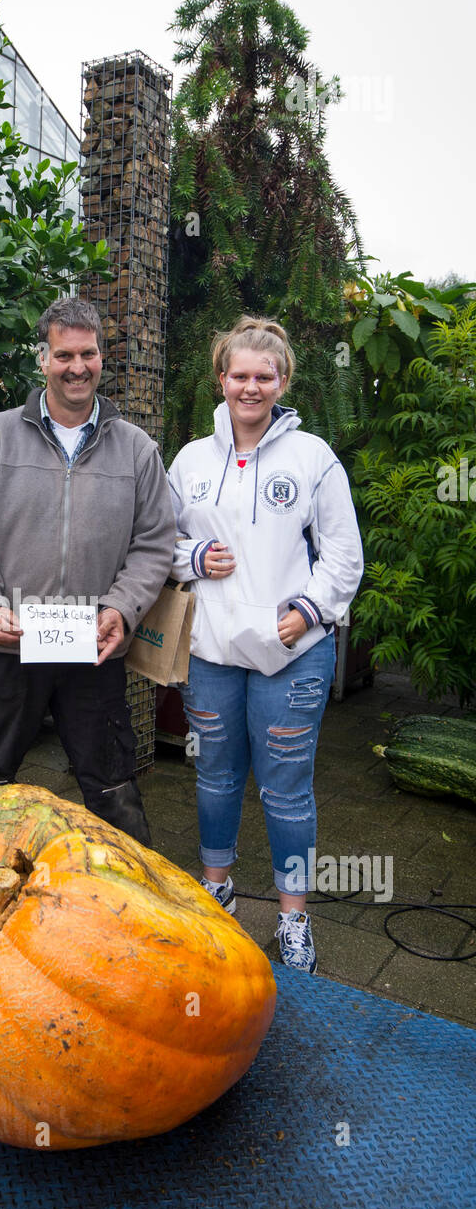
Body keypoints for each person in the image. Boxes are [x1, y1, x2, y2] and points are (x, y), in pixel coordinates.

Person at [167, 316, 363, 973]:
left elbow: (344, 557)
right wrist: (193, 555)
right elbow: (158, 544)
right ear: (221, 379)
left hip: (292, 655)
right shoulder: (191, 460)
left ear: (282, 382)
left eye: (264, 376)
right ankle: (217, 891)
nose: (251, 387)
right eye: (239, 375)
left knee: (285, 790)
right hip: (214, 653)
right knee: (216, 778)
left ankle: (293, 918)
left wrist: (308, 613)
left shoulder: (313, 458)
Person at [0, 296, 175, 843]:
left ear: (101, 358)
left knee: (112, 786)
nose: (78, 367)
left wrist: (122, 606)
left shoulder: (137, 450)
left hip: (92, 644)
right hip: (12, 644)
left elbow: (154, 541)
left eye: (88, 354)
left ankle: (128, 902)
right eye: (65, 355)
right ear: (43, 359)